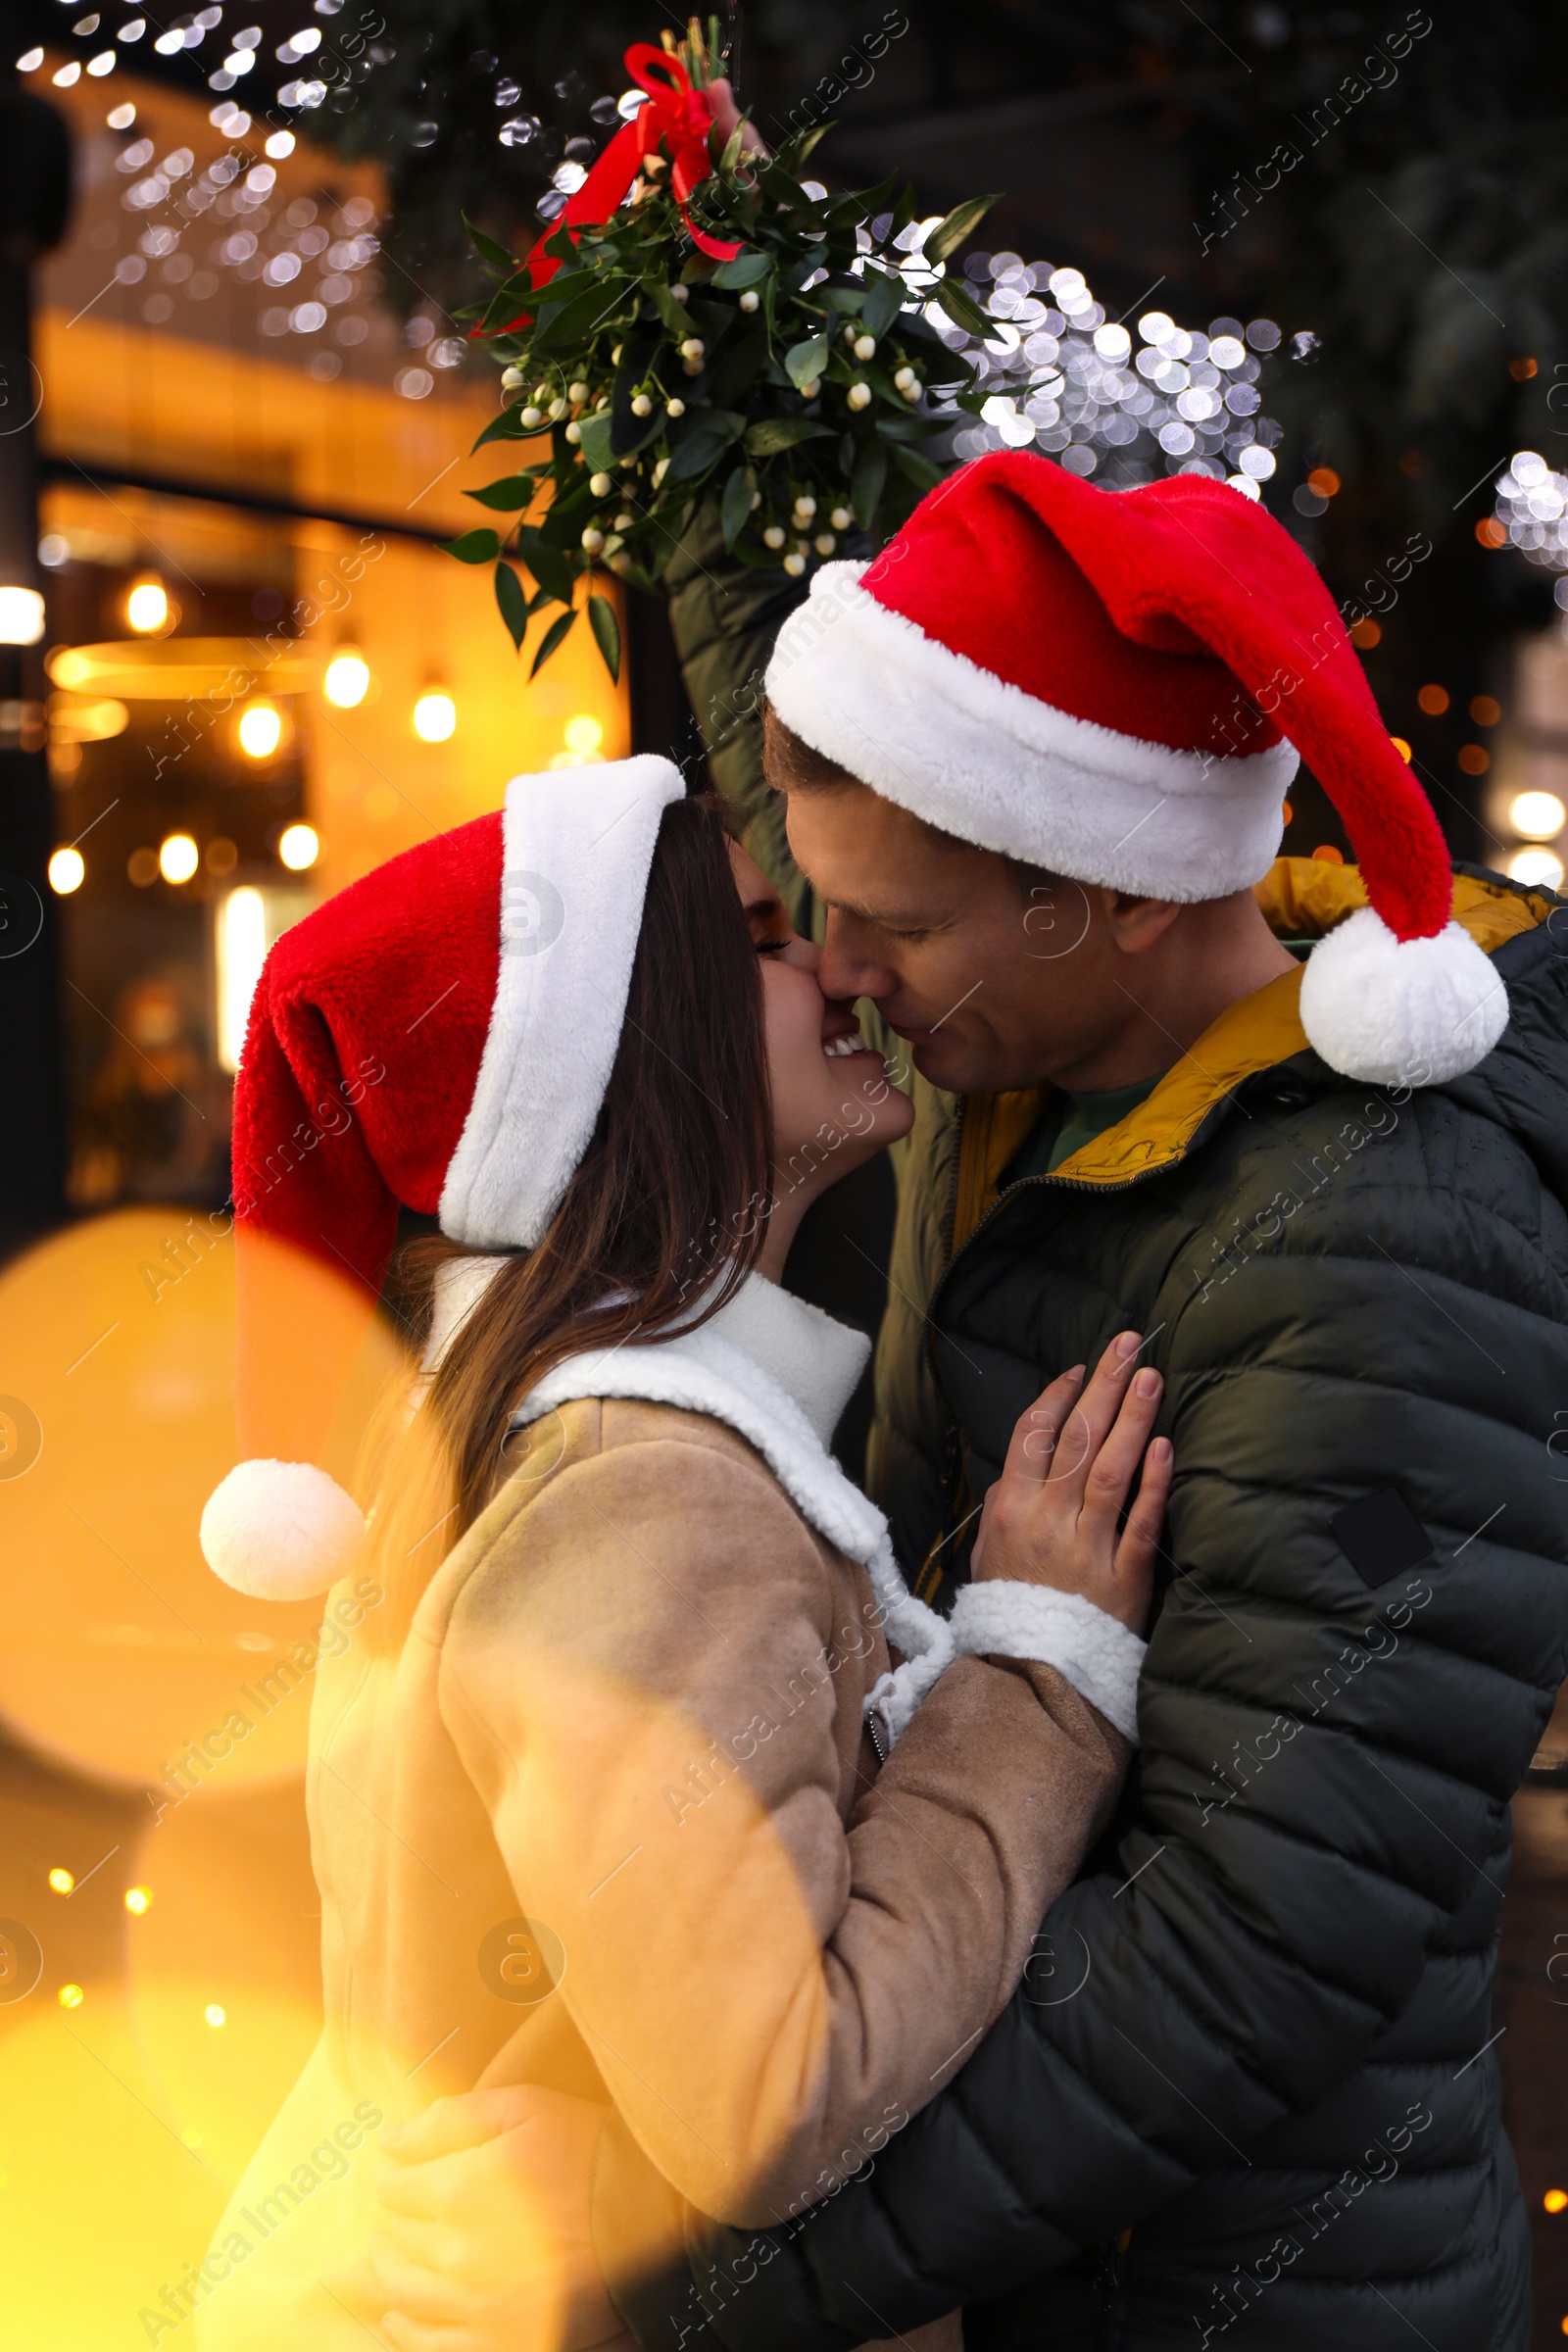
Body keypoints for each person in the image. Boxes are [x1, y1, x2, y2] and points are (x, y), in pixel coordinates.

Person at [373, 457, 1568, 2350]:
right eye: (808, 929)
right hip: (1000, 2245)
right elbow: (824, 749)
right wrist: (700, 310)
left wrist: (623, 2247)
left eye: (888, 936)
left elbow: (1260, 1950)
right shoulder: (997, 1016)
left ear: (1105, 889)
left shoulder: (1386, 1249)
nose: (842, 982)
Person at [190, 754, 1174, 2352]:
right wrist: (1037, 1673)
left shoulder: (528, 1437)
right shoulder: (642, 1501)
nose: (839, 972)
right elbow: (775, 2095)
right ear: (628, 1051)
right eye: (767, 942)